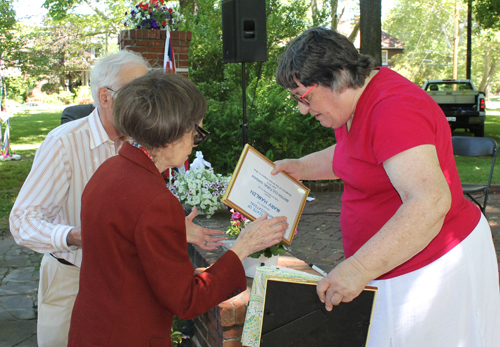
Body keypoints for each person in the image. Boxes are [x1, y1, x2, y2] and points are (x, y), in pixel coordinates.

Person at [272, 27, 500, 346]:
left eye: (304, 97)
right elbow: (355, 153)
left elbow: (430, 201)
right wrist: (300, 167)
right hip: (395, 264)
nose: (302, 109)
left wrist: (358, 268)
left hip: (432, 269)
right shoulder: (355, 103)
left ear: (337, 76)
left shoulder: (393, 109)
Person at [9, 51, 223, 347]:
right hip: (71, 279)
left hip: (124, 286)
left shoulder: (142, 141)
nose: (144, 101)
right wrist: (74, 236)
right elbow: (22, 221)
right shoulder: (64, 143)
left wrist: (168, 227)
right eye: (134, 92)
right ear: (104, 96)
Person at [68, 70, 288, 346]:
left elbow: (127, 260)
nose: (195, 145)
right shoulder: (156, 202)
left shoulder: (109, 169)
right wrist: (243, 246)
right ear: (171, 134)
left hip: (93, 329)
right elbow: (187, 300)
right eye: (195, 132)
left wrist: (170, 233)